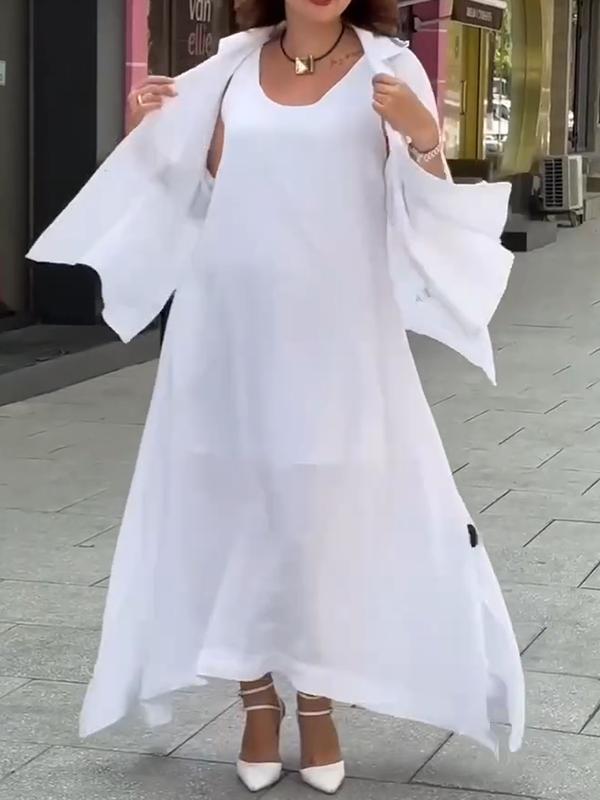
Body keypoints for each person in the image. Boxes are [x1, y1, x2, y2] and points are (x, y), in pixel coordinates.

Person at [28, 0, 525, 794]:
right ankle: (257, 705)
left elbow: (428, 208)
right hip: (227, 325)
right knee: (236, 508)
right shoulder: (228, 71)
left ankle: (318, 703)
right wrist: (148, 133)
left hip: (340, 333)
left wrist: (424, 138)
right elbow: (200, 186)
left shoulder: (389, 69)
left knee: (323, 519)